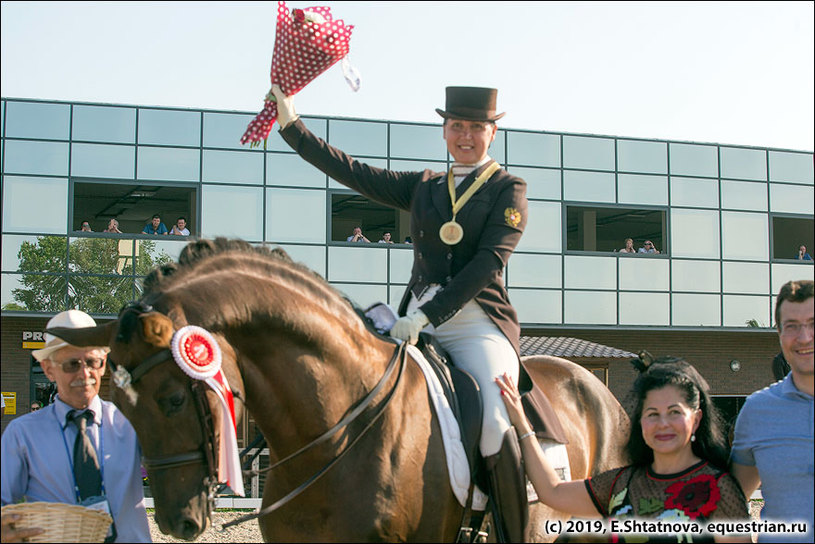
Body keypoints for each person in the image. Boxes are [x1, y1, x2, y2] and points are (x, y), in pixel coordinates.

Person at [272, 84, 529, 542]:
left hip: (476, 326)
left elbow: (488, 264)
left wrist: (428, 315)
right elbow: (354, 172)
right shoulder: (425, 187)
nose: (464, 136)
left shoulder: (509, 189)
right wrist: (293, 126)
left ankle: (511, 531)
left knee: (493, 420)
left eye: (475, 127)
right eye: (456, 127)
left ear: (492, 132)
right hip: (416, 326)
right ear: (445, 131)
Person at [497, 355, 750, 543]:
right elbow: (551, 491)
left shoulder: (719, 489)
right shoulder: (620, 484)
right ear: (641, 422)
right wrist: (523, 424)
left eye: (674, 413)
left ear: (695, 419)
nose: (663, 424)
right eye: (652, 413)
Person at [1, 310, 151, 543]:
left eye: (92, 362)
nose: (85, 373)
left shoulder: (134, 424)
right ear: (48, 369)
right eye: (72, 364)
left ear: (103, 366)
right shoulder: (22, 435)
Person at [730, 279, 813, 543]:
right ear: (778, 333)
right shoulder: (757, 412)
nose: (804, 337)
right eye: (792, 326)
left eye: (813, 324)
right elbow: (731, 505)